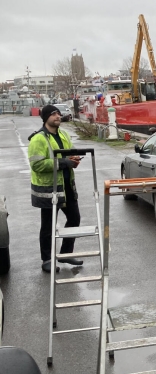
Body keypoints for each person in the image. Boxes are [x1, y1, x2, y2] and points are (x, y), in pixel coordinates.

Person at [28, 105, 84, 273]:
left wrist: (73, 159)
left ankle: (65, 253)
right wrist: (64, 162)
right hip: (49, 190)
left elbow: (69, 153)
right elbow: (37, 164)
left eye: (58, 113)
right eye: (53, 114)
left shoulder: (63, 134)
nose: (58, 116)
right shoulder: (38, 139)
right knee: (48, 226)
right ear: (46, 118)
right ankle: (47, 259)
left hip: (67, 187)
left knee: (74, 219)